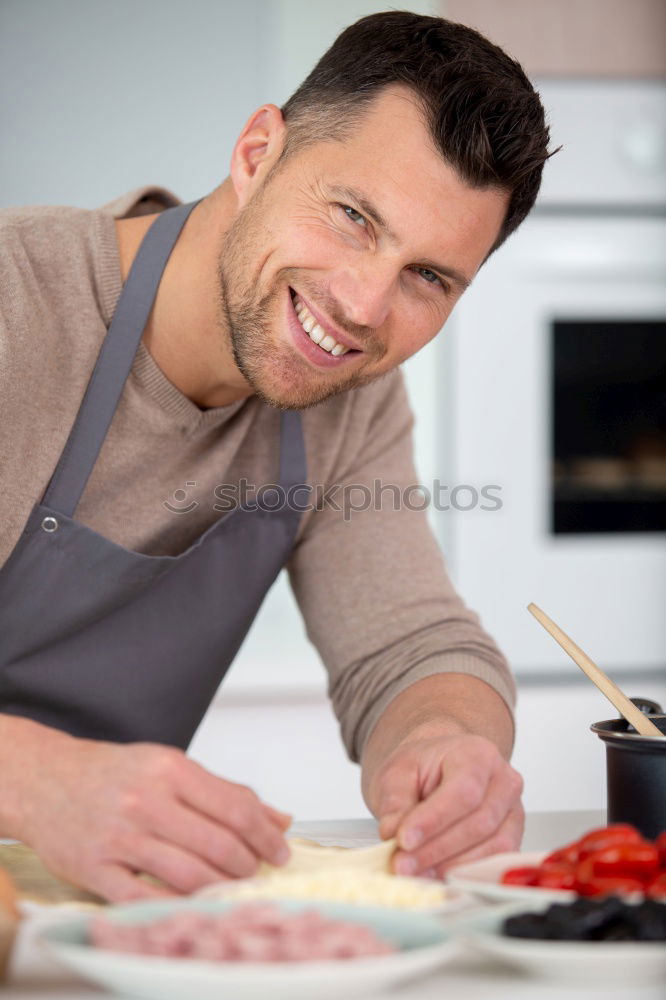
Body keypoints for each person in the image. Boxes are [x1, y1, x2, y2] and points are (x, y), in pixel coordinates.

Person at [0, 11, 553, 901]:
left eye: (429, 277)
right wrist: (31, 780)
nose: (365, 307)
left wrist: (447, 742)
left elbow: (411, 643)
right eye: (352, 217)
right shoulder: (16, 303)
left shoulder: (351, 399)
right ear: (258, 151)